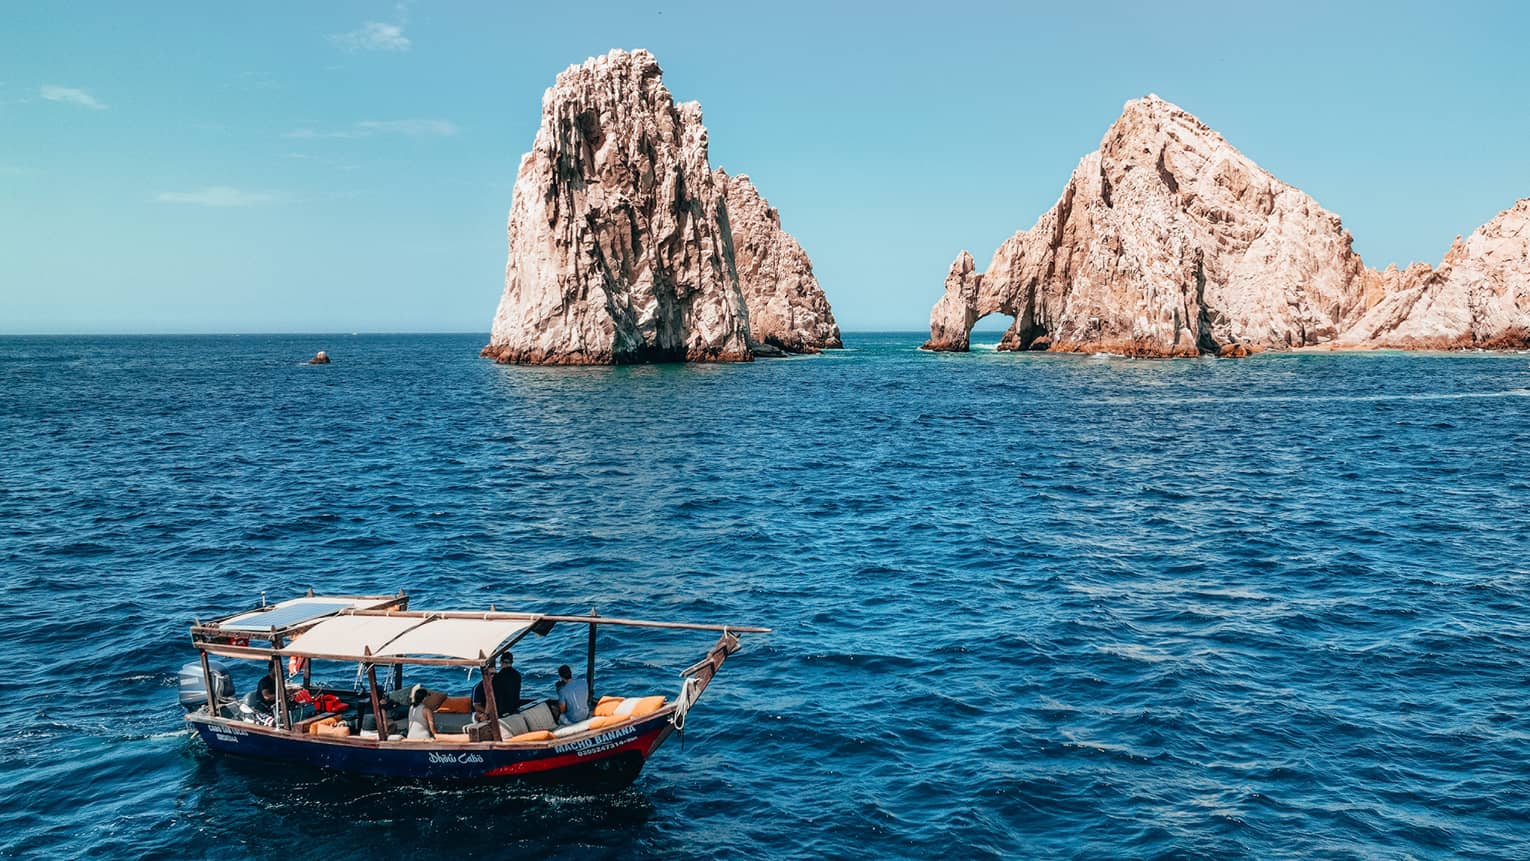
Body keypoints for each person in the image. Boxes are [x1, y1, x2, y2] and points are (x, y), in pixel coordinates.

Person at [471, 652, 523, 720]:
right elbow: (476, 705)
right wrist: (487, 713)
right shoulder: (478, 687)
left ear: (501, 663)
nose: (492, 677)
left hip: (499, 712)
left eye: (494, 674)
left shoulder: (498, 679)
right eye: (490, 674)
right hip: (486, 711)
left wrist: (488, 714)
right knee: (477, 715)